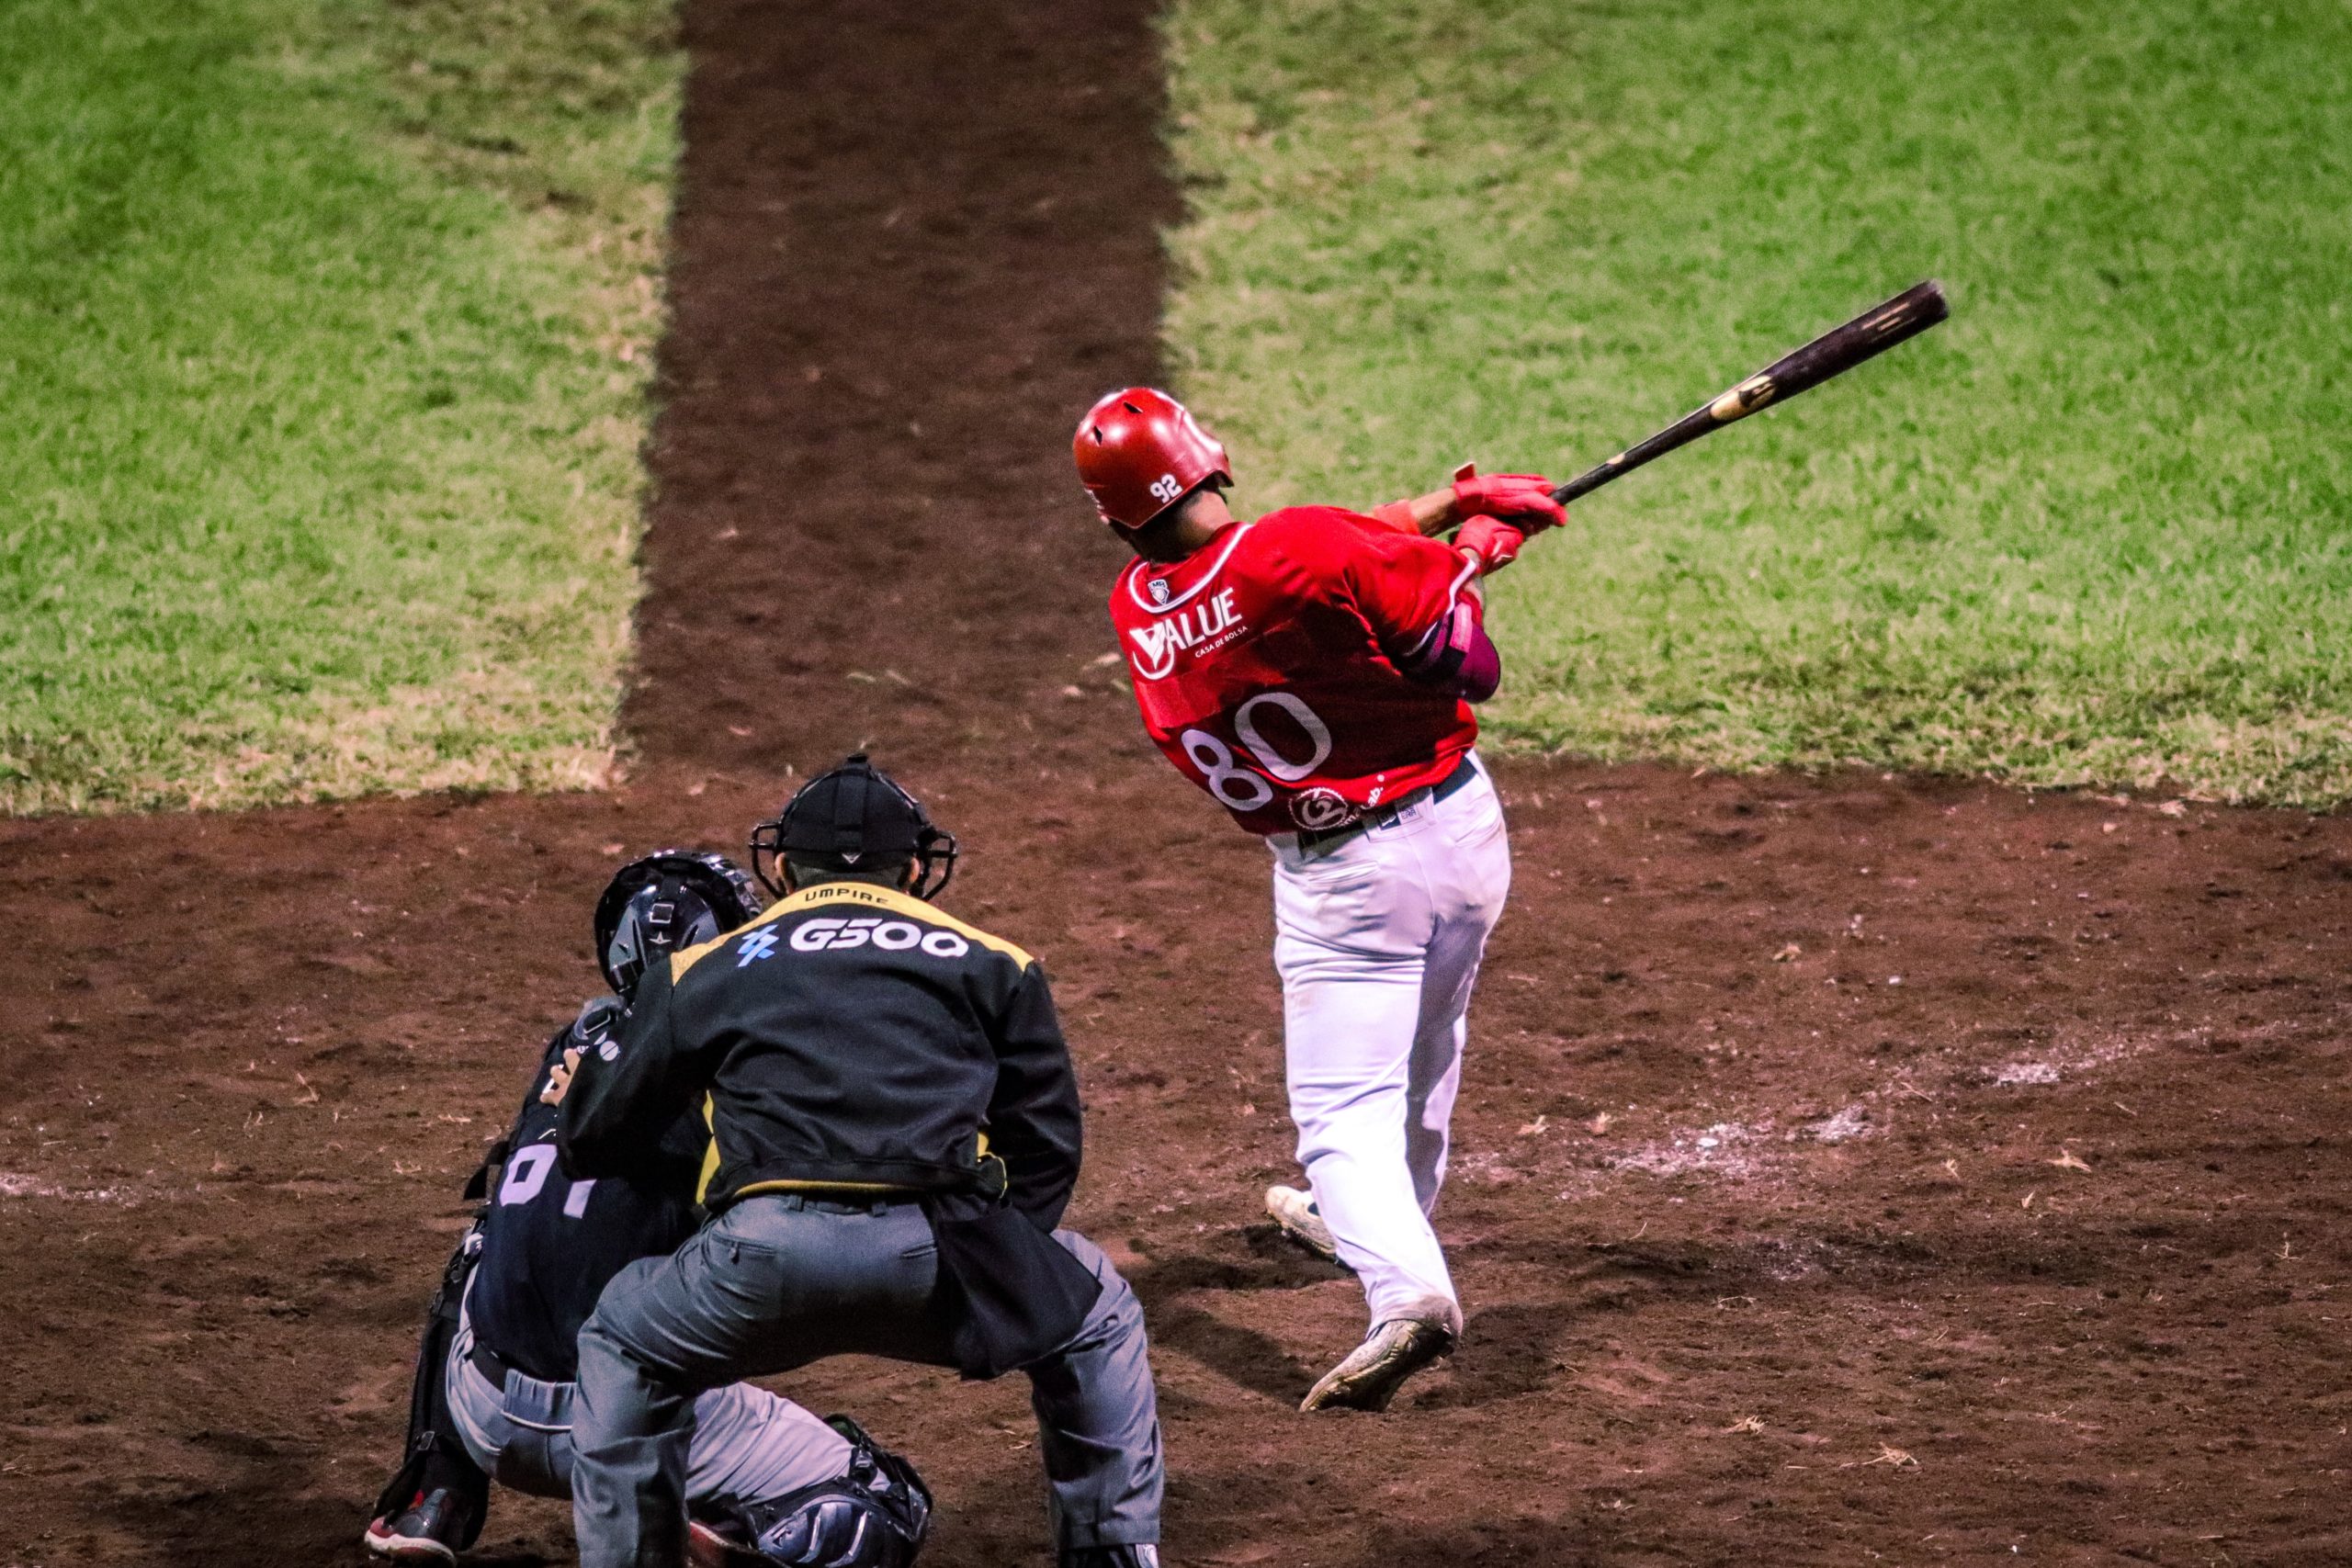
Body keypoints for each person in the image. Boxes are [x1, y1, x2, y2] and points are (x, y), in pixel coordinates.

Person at [1072, 388, 1565, 1413]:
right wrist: (1463, 561)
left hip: (1343, 880)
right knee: (1429, 1048)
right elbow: (1465, 664)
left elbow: (1316, 558)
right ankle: (1388, 1225)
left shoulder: (1141, 608)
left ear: (1119, 519)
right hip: (1462, 839)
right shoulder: (1299, 547)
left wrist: (1447, 513)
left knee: (1343, 1110)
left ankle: (1405, 1289)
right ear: (1211, 459)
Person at [558, 756, 1165, 1568]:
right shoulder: (994, 959)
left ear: (779, 868)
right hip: (940, 1255)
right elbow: (1046, 1144)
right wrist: (1000, 1264)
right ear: (915, 868)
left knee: (624, 1338)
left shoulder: (702, 969)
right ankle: (1112, 1554)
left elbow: (596, 1139)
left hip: (752, 1265)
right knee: (1098, 1312)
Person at [365, 851, 932, 1568]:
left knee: (485, 1239)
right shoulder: (744, 1060)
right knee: (880, 1501)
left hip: (485, 1414)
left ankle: (436, 1489)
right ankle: (739, 1530)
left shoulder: (571, 1044)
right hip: (629, 1425)